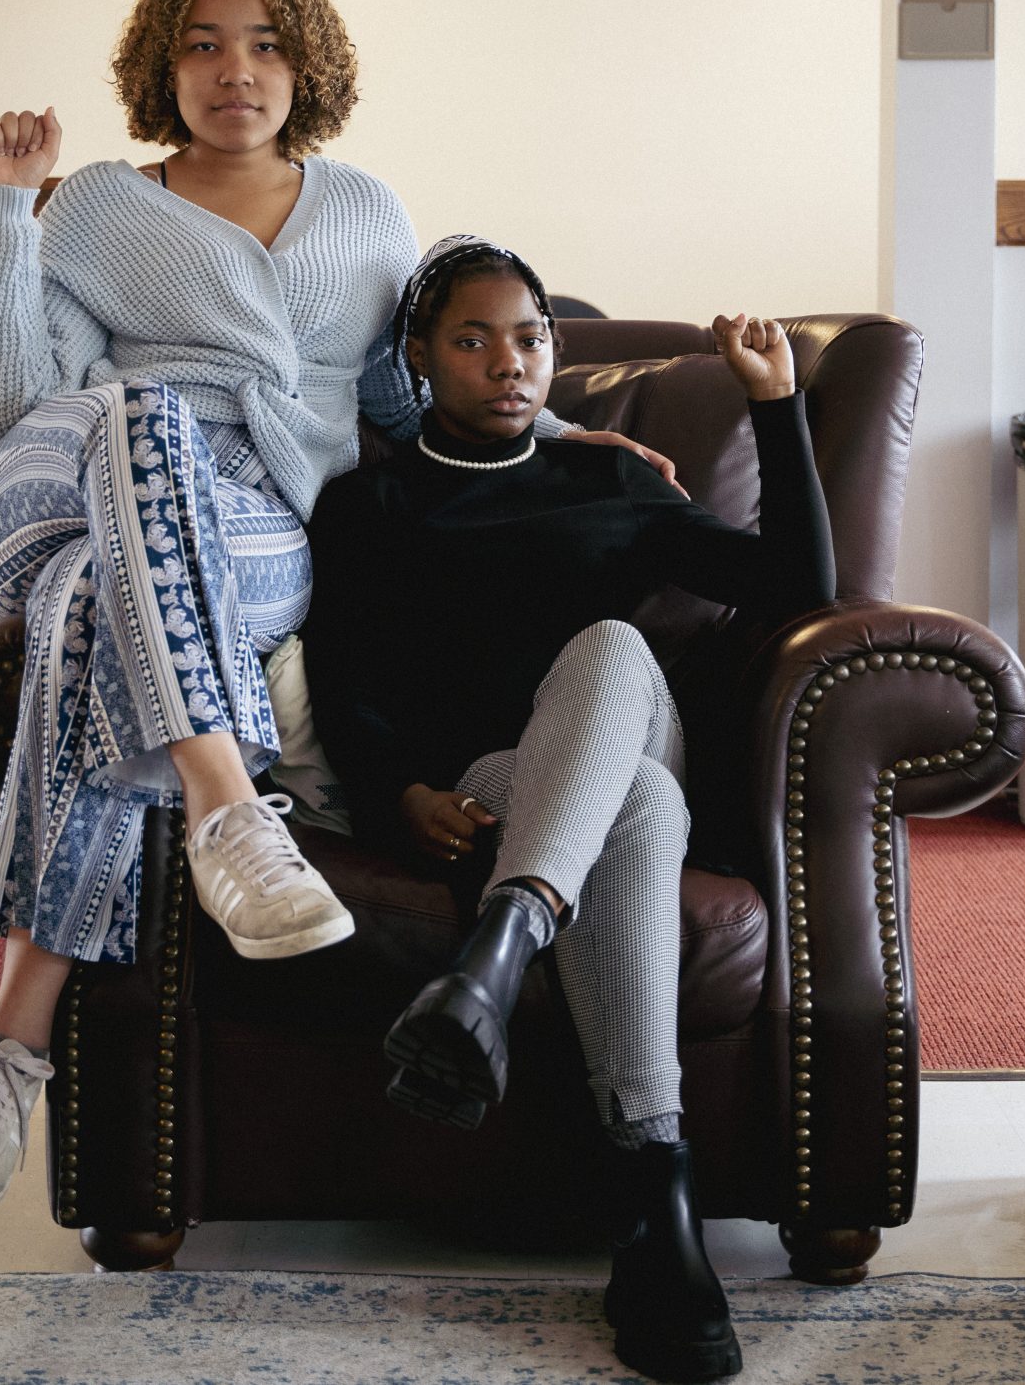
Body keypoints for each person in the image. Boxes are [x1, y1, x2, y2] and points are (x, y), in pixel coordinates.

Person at [0, 0, 674, 1221]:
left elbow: (397, 405)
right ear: (165, 65)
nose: (235, 71)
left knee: (91, 615)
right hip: (62, 489)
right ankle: (230, 813)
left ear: (304, 64)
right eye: (204, 45)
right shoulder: (98, 205)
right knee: (135, 418)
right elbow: (9, 405)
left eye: (264, 44)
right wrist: (3, 211)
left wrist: (556, 439)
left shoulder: (368, 213)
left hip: (258, 527)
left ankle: (9, 1049)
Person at [301, 237, 835, 1383]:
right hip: (501, 789)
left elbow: (802, 587)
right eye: (473, 338)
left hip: (627, 721)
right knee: (634, 805)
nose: (510, 361)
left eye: (530, 337)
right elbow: (344, 678)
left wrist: (774, 406)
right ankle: (656, 1197)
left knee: (609, 646)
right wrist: (400, 794)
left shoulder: (612, 479)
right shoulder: (368, 505)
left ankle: (494, 956)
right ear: (420, 358)